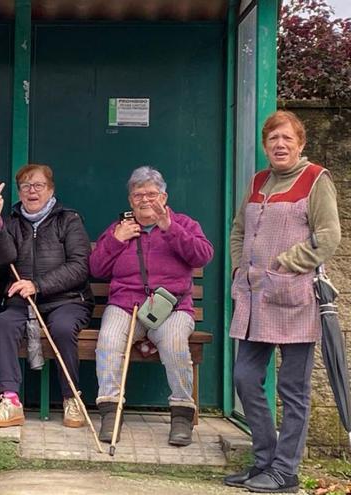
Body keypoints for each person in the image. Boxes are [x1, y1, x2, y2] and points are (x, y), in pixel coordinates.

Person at [224, 111, 340, 493]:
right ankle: (264, 459)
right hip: (256, 298)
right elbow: (239, 228)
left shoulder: (316, 179)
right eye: (273, 139)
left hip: (294, 298)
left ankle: (286, 471)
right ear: (265, 145)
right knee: (244, 378)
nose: (280, 145)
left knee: (293, 389)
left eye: (287, 138)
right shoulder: (258, 181)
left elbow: (328, 236)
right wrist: (239, 267)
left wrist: (287, 264)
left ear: (301, 143)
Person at [90, 166, 213, 447]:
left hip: (171, 307)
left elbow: (202, 255)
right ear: (130, 199)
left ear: (164, 196)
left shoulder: (182, 223)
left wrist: (171, 229)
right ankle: (111, 412)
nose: (145, 200)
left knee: (173, 343)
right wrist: (115, 240)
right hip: (126, 305)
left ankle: (182, 414)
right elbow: (96, 268)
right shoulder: (119, 227)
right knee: (108, 341)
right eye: (138, 195)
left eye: (151, 194)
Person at [0, 164, 93, 428]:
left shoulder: (69, 219)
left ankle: (71, 398)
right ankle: (9, 400)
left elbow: (80, 266)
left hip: (67, 300)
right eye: (25, 186)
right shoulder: (11, 221)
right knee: (4, 324)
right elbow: (3, 258)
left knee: (64, 328)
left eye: (38, 185)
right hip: (22, 302)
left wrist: (38, 284)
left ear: (51, 189)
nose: (32, 191)